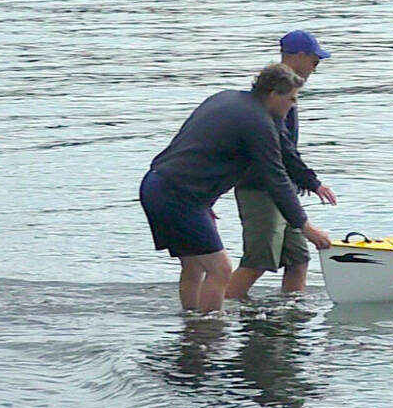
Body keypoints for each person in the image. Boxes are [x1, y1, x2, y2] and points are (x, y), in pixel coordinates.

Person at [140, 64, 332, 313]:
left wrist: (205, 203)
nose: (293, 105)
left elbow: (194, 150)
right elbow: (276, 177)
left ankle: (192, 326)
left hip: (155, 183)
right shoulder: (258, 122)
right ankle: (209, 331)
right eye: (292, 99)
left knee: (194, 266)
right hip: (179, 196)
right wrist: (306, 227)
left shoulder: (225, 98)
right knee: (219, 269)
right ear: (274, 94)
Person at [225, 30, 337, 299]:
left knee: (298, 258)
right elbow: (282, 148)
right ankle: (217, 310)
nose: (315, 67)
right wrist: (311, 180)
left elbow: (286, 148)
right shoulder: (273, 95)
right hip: (261, 189)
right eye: (314, 60)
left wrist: (303, 181)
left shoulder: (287, 91)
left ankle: (291, 314)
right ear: (297, 56)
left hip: (284, 189)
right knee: (258, 261)